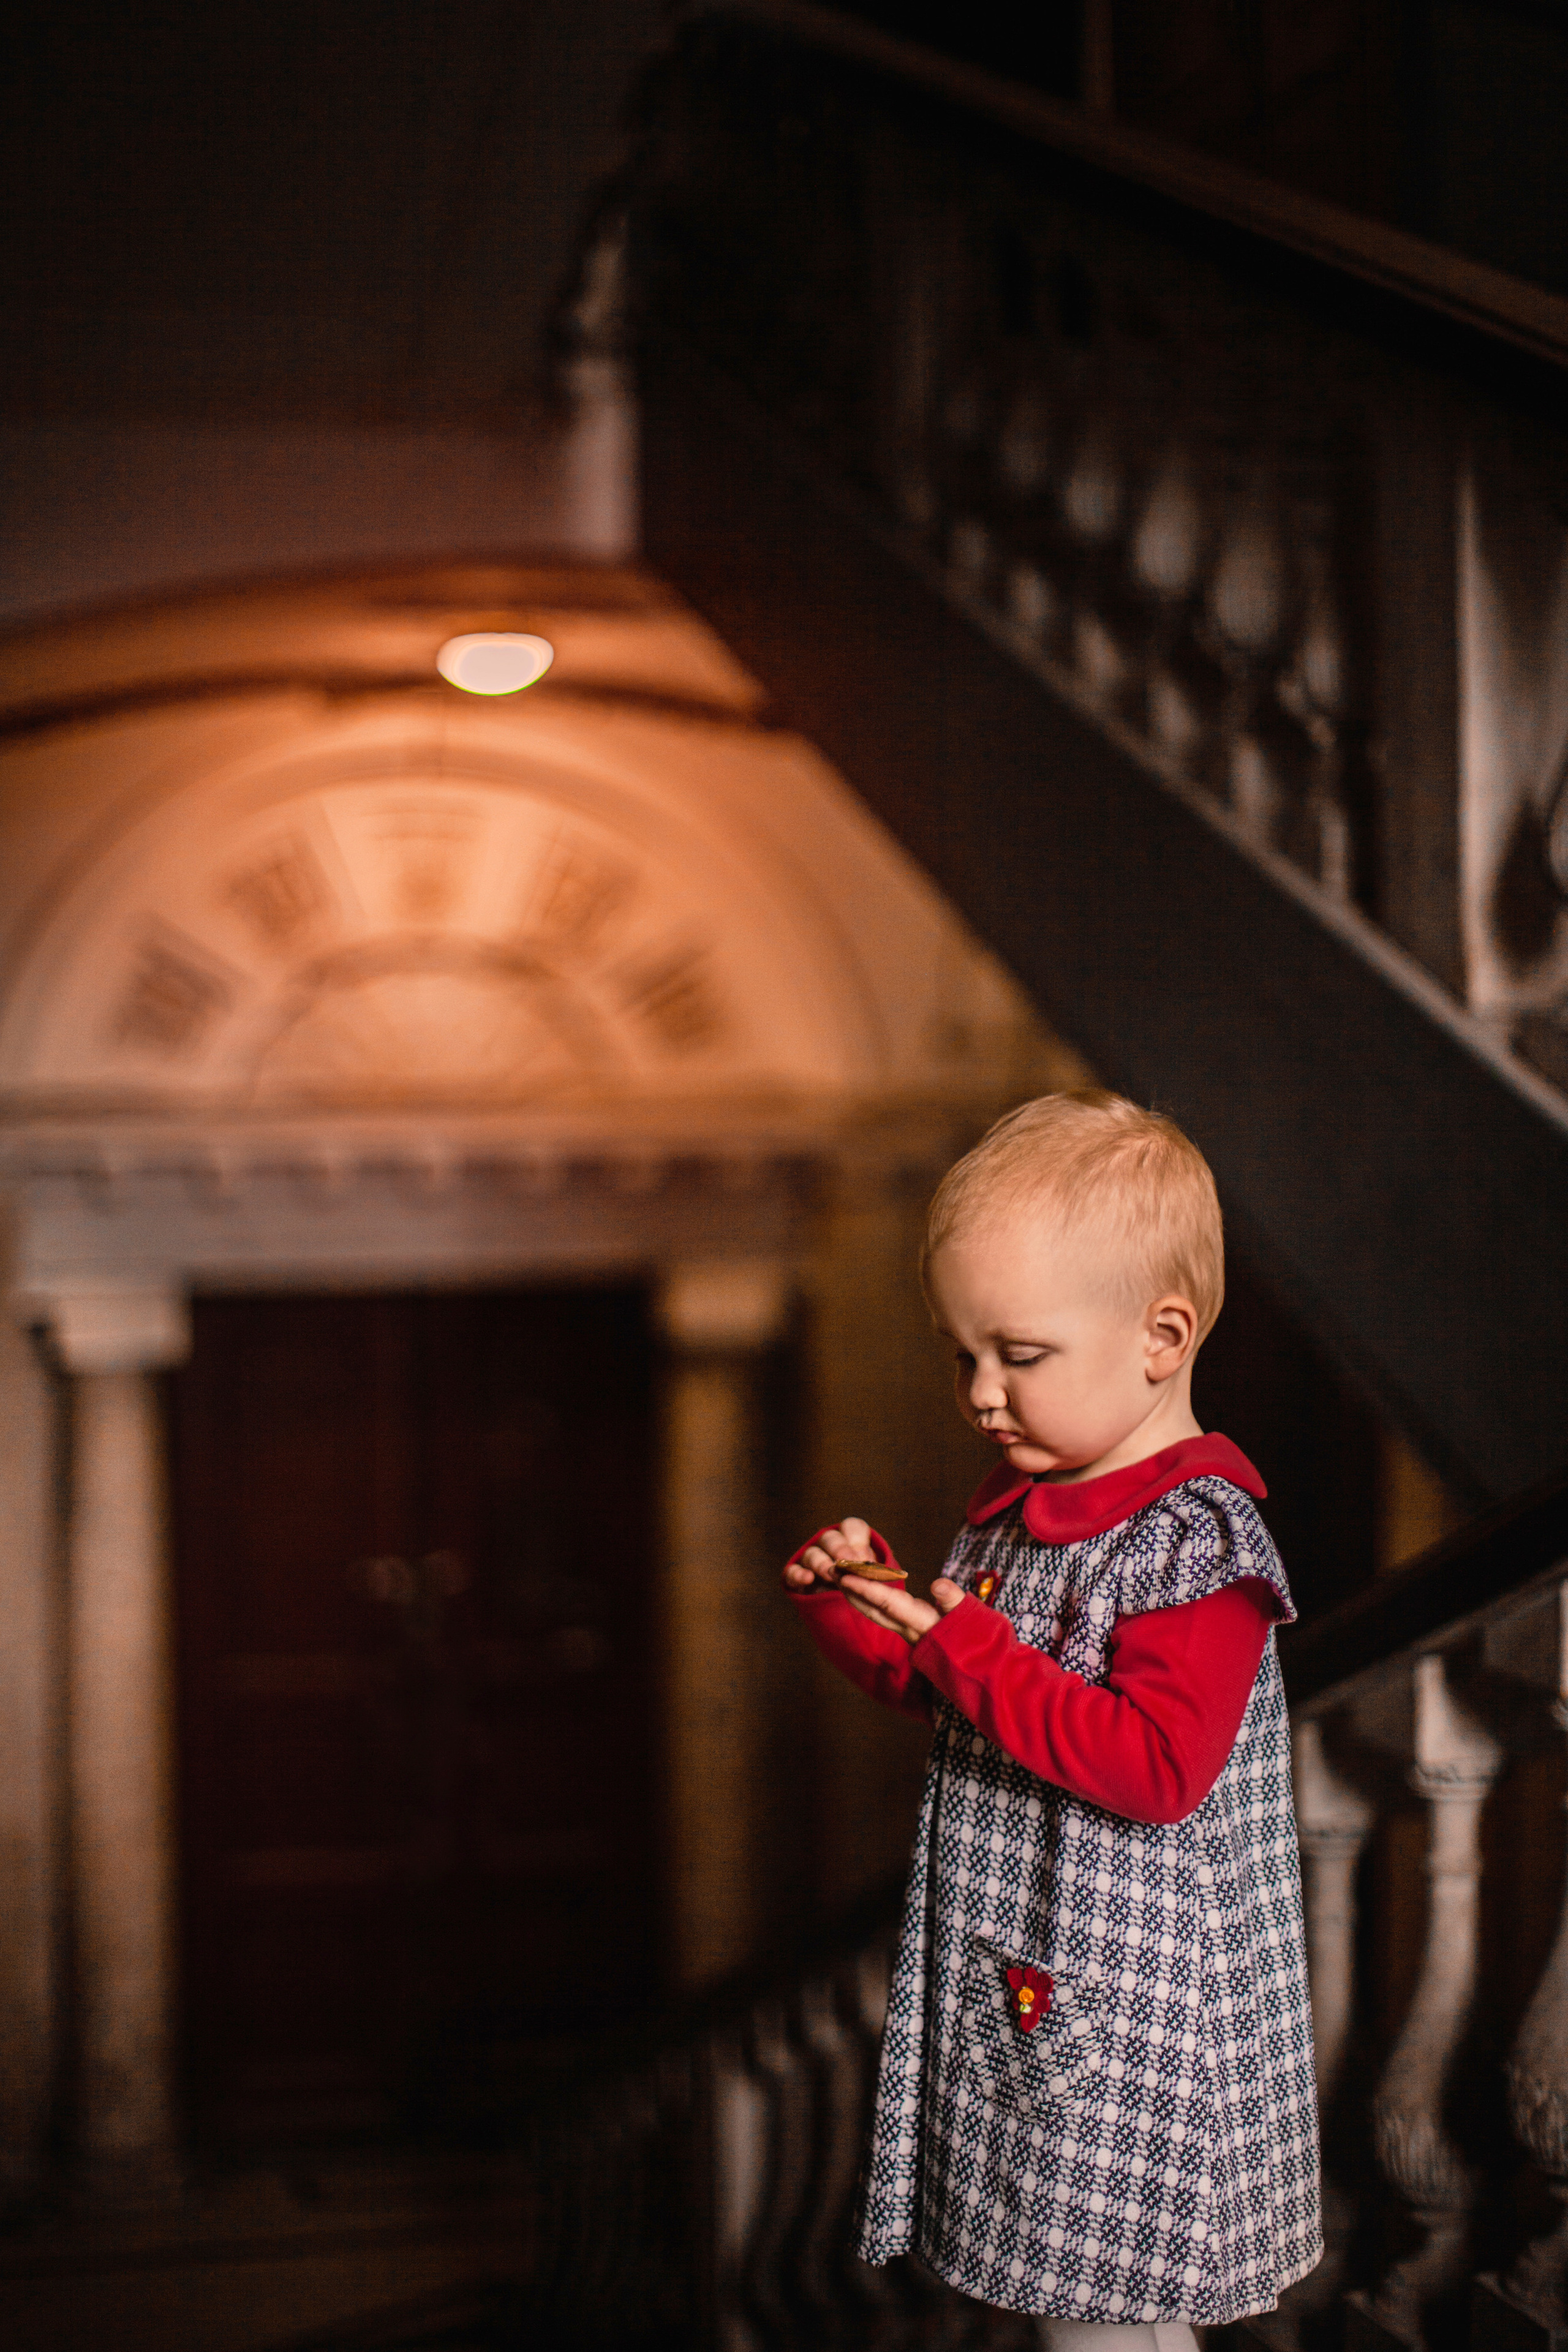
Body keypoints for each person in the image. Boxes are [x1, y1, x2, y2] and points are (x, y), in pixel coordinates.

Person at [784, 1090, 1321, 2352]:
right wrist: (863, 1612)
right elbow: (950, 1700)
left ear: (1159, 1336)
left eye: (1016, 1356)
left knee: (1104, 2325)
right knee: (1056, 2315)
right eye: (959, 1352)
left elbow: (1152, 1770)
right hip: (1025, 1961)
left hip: (1134, 2014)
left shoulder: (1195, 1542)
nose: (979, 1392)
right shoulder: (1015, 1509)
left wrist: (959, 1637)